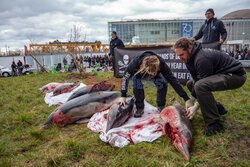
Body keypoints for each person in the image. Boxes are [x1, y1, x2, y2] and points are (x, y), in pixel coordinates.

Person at [174, 38, 246, 136]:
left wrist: (195, 107)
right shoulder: (189, 59)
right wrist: (191, 99)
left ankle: (215, 123)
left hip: (236, 75)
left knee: (200, 86)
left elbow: (201, 84)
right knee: (190, 84)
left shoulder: (201, 58)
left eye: (181, 55)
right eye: (178, 56)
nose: (180, 58)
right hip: (223, 74)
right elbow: (196, 79)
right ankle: (216, 108)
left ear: (189, 48)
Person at [118, 51, 192, 118]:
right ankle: (140, 107)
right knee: (137, 85)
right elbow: (125, 78)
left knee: (162, 83)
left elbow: (172, 80)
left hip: (155, 71)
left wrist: (186, 98)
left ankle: (161, 105)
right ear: (145, 66)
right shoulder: (134, 64)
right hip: (139, 72)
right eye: (150, 71)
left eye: (154, 71)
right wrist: (123, 95)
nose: (152, 73)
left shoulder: (161, 63)